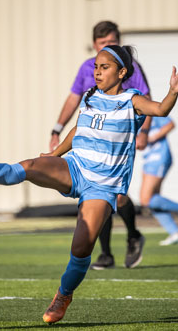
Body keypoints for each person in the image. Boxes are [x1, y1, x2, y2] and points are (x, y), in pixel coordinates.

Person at [0, 44, 178, 324]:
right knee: (30, 166)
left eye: (105, 67)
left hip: (103, 185)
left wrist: (174, 90)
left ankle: (63, 294)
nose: (98, 72)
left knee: (81, 248)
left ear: (122, 72)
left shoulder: (132, 101)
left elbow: (160, 109)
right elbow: (79, 129)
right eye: (96, 67)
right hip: (76, 167)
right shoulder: (91, 97)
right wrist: (55, 155)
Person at [49, 20, 153, 270]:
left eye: (112, 42)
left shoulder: (130, 67)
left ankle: (133, 235)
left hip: (117, 140)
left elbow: (145, 99)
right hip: (90, 138)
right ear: (95, 45)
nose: (108, 46)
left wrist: (144, 132)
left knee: (116, 196)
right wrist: (57, 129)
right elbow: (74, 98)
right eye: (103, 43)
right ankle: (106, 254)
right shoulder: (87, 68)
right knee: (96, 195)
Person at [139, 116, 178, 245]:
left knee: (145, 199)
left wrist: (152, 137)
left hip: (158, 156)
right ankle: (175, 233)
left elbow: (170, 124)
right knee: (153, 199)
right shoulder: (131, 112)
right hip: (148, 158)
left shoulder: (149, 110)